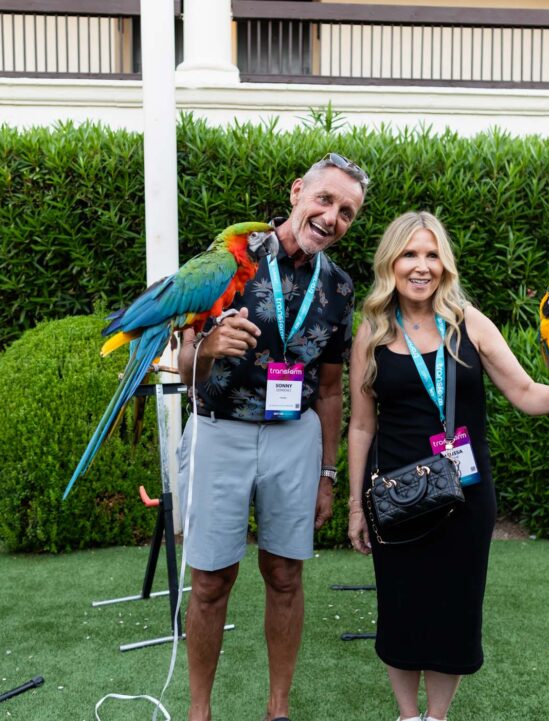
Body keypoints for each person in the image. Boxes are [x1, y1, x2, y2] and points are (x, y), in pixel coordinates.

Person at [346, 211, 549, 721]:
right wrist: (355, 506)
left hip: (466, 497)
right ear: (391, 261)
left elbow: (525, 391)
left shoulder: (470, 323)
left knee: (454, 611)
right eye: (410, 254)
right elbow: (362, 426)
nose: (421, 266)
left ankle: (436, 718)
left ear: (446, 264)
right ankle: (407, 716)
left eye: (432, 255)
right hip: (395, 498)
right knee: (401, 609)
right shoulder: (371, 330)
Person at [176, 153, 369, 721]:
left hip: (293, 439)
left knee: (285, 574)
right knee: (211, 580)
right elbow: (183, 363)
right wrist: (206, 348)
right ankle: (199, 713)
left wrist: (328, 474)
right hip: (220, 432)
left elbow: (332, 390)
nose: (332, 217)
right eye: (325, 200)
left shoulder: (337, 287)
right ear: (296, 193)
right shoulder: (228, 261)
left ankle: (277, 710)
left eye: (347, 212)